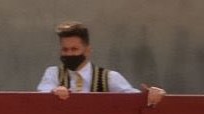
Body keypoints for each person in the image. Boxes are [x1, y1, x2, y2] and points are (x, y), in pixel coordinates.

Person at [36, 21, 166, 107]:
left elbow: (134, 99)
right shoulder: (53, 73)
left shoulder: (109, 77)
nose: (69, 54)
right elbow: (41, 96)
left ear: (87, 51)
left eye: (74, 49)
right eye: (65, 49)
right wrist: (53, 92)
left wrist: (154, 95)